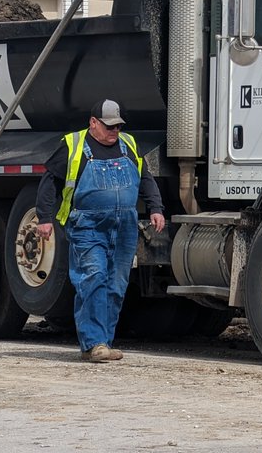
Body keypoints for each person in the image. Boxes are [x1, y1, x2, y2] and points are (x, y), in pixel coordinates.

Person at [35, 99, 165, 363]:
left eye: (117, 126)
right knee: (92, 278)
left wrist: (155, 207)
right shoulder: (73, 146)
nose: (114, 131)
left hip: (125, 225)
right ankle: (94, 344)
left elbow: (145, 177)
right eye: (109, 127)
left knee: (116, 284)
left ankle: (104, 341)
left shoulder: (128, 144)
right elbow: (50, 182)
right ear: (93, 123)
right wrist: (45, 218)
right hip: (88, 225)